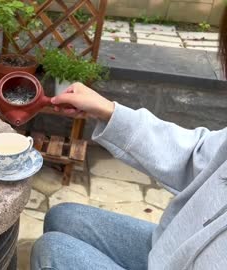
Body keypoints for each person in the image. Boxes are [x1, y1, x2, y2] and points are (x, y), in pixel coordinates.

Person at [30, 8, 227, 270]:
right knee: (63, 216)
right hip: (173, 249)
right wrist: (109, 112)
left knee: (53, 251)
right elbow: (199, 155)